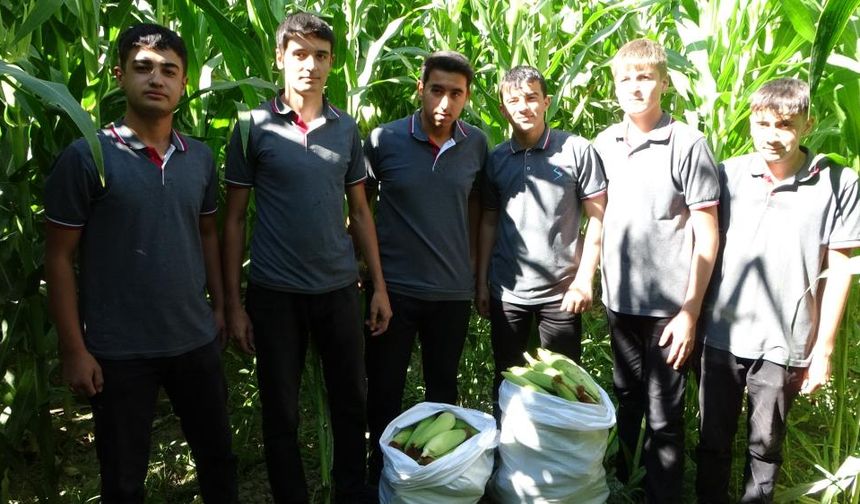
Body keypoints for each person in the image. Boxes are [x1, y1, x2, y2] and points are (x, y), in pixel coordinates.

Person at [44, 23, 237, 503]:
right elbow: (59, 258)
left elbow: (208, 232)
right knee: (124, 479)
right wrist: (74, 349)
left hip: (193, 339)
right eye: (143, 68)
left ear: (184, 83)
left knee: (219, 461)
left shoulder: (201, 158)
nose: (157, 79)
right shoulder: (89, 157)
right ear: (119, 76)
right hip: (119, 350)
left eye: (170, 70)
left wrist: (219, 307)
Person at [222, 11, 390, 503]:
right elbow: (233, 219)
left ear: (332, 62)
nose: (309, 65)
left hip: (338, 289)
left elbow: (359, 211)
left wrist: (377, 285)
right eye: (299, 54)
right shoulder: (252, 128)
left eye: (320, 56)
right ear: (279, 58)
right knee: (281, 412)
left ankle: (350, 492)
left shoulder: (346, 129)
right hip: (275, 294)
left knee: (350, 404)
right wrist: (233, 304)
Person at [696, 78, 860, 503]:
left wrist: (822, 351)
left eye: (785, 124)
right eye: (762, 122)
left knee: (765, 448)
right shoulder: (728, 174)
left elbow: (840, 268)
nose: (772, 135)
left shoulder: (838, 183)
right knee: (712, 442)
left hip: (784, 342)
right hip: (721, 336)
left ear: (809, 123)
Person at [593, 38, 720, 503]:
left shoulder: (687, 143)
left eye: (645, 77)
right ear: (615, 86)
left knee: (664, 416)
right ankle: (626, 487)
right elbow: (598, 220)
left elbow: (707, 234)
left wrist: (690, 312)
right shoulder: (604, 143)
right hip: (620, 302)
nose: (635, 87)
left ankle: (662, 496)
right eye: (625, 78)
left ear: (664, 83)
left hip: (670, 308)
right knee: (626, 400)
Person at [362, 50, 490, 483]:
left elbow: (476, 205)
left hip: (451, 292)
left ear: (467, 97)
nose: (445, 103)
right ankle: (380, 475)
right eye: (437, 90)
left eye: (456, 94)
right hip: (393, 290)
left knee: (443, 392)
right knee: (383, 391)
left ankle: (438, 479)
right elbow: (359, 210)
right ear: (420, 89)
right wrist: (373, 279)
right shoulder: (384, 140)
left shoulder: (476, 143)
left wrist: (473, 269)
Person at [475, 65, 607, 419]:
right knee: (508, 380)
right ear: (503, 109)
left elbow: (597, 217)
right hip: (508, 291)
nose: (525, 107)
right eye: (514, 100)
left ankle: (560, 463)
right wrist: (482, 282)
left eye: (532, 98)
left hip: (561, 293)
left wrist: (584, 280)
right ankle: (509, 456)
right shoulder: (497, 159)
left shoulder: (576, 150)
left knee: (563, 383)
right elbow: (488, 221)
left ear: (546, 102)